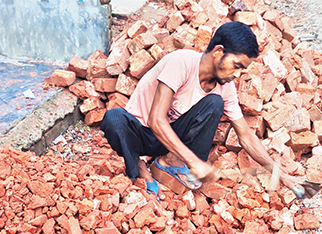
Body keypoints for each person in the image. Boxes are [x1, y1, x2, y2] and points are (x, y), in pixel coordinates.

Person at [101, 21, 300, 198]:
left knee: (215, 103)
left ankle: (170, 162)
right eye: (236, 66)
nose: (237, 75)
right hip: (142, 133)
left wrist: (280, 175)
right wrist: (195, 162)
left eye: (242, 70)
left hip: (172, 142)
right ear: (218, 52)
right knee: (114, 118)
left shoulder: (225, 88)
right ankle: (141, 170)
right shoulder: (182, 62)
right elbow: (156, 120)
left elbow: (246, 136)